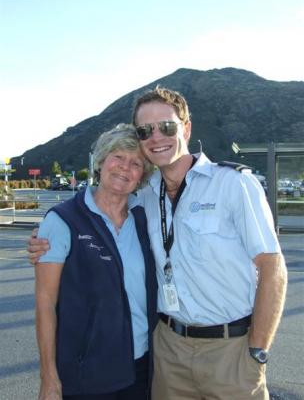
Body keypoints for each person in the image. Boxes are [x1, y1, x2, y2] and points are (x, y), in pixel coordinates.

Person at [29, 87, 288, 400]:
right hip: (167, 352)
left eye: (167, 127)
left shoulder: (234, 184)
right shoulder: (146, 198)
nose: (156, 137)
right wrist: (45, 243)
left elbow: (272, 265)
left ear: (186, 128)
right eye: (145, 131)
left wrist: (258, 349)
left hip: (229, 350)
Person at [34, 124, 157, 400]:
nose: (125, 167)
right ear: (101, 162)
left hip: (142, 368)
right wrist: (49, 377)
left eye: (136, 163)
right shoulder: (63, 219)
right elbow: (45, 303)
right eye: (118, 157)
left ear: (142, 175)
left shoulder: (144, 218)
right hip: (85, 374)